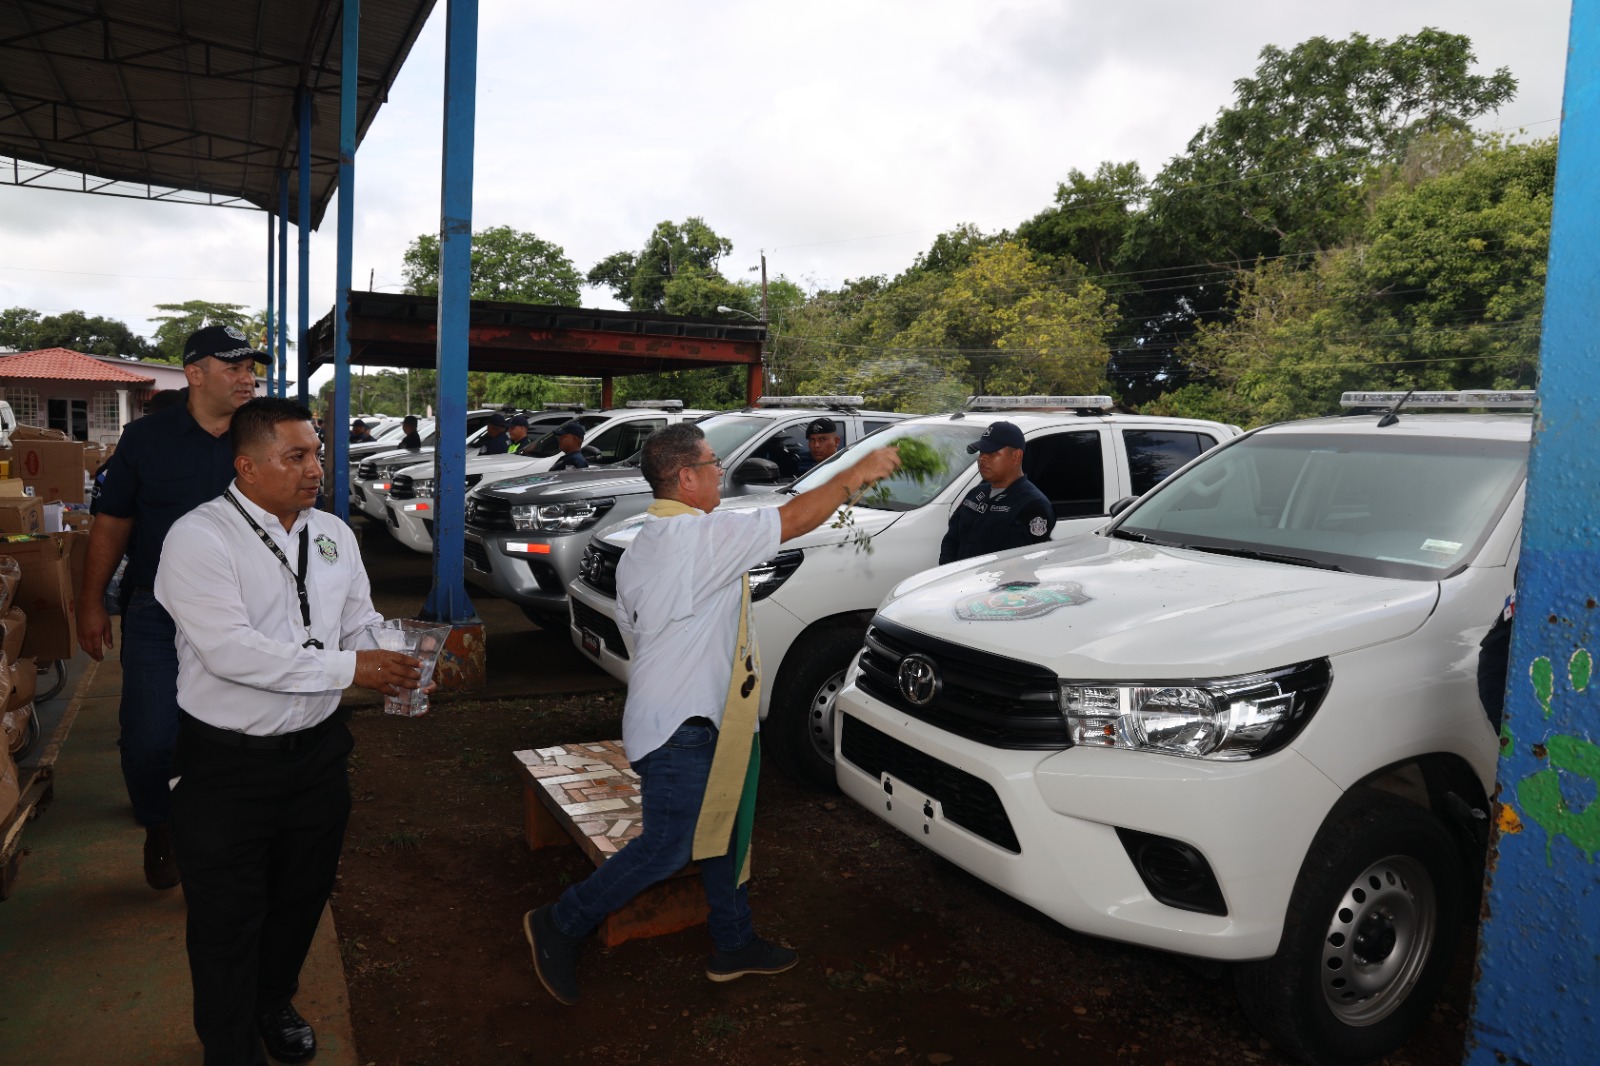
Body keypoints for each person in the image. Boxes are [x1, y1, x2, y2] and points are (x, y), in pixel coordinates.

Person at [523, 423, 901, 1005]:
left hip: (694, 714)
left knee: (723, 829)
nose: (721, 471)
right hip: (684, 725)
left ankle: (734, 941)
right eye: (712, 462)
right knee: (669, 847)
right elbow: (795, 518)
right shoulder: (697, 537)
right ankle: (560, 921)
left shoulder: (649, 539)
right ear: (686, 477)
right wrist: (859, 473)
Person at [155, 397, 428, 1066]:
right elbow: (231, 651)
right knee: (226, 918)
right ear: (246, 467)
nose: (315, 469)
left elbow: (358, 620)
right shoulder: (200, 537)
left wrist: (399, 654)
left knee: (301, 896)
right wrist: (353, 668)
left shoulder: (332, 532)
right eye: (296, 456)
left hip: (317, 756)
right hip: (227, 765)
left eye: (318, 454)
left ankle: (272, 1000)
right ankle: (230, 1047)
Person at [78, 324, 266, 891]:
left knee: (242, 733)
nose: (247, 378)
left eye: (250, 368)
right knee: (151, 737)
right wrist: (91, 602)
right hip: (157, 612)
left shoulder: (264, 433)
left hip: (248, 612)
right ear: (194, 374)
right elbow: (113, 523)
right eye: (234, 368)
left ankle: (230, 840)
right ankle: (160, 825)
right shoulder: (146, 439)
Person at [938, 420, 1055, 564]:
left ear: (1016, 456)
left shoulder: (1033, 505)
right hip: (960, 577)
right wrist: (949, 572)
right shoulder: (976, 494)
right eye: (982, 452)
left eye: (992, 453)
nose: (982, 458)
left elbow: (1017, 563)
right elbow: (951, 541)